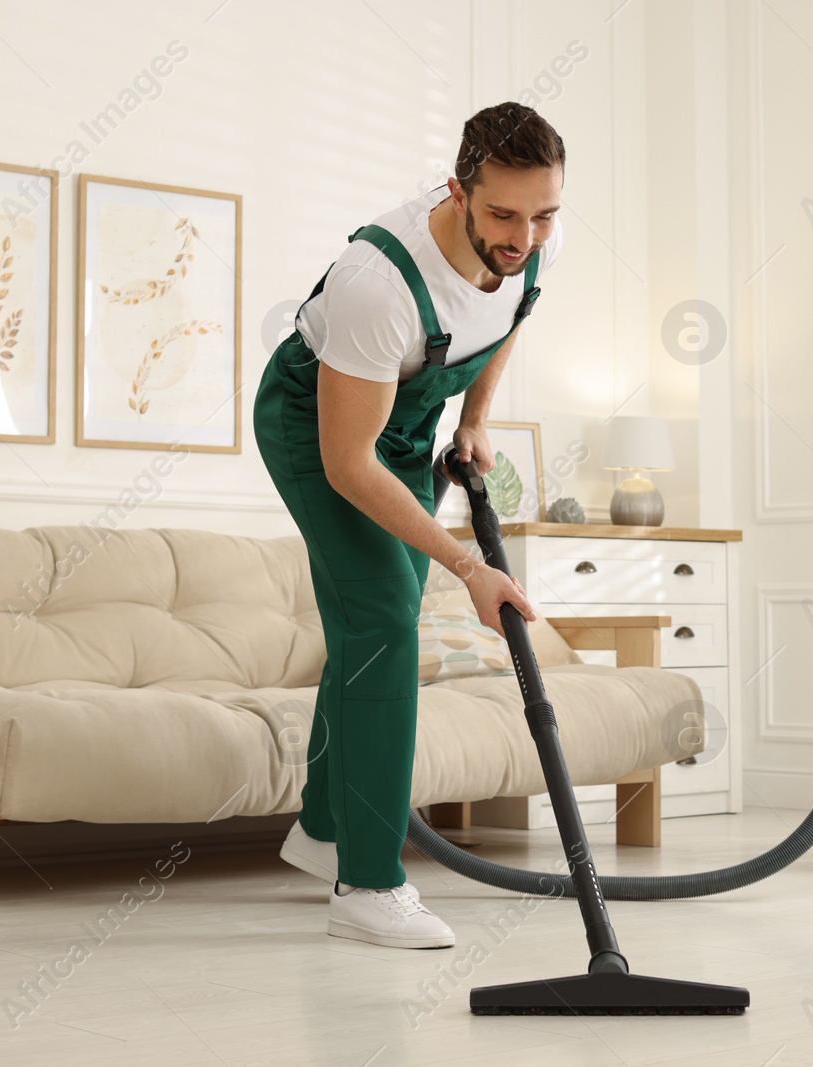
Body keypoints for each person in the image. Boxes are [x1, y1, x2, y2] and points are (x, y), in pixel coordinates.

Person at [251, 102, 565, 949]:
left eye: (543, 214)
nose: (524, 234)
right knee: (388, 615)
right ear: (459, 189)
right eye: (502, 213)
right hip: (318, 427)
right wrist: (470, 567)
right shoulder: (378, 281)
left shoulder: (529, 240)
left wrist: (474, 419)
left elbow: (510, 314)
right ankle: (369, 884)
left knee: (372, 622)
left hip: (405, 424)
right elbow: (350, 461)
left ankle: (323, 828)